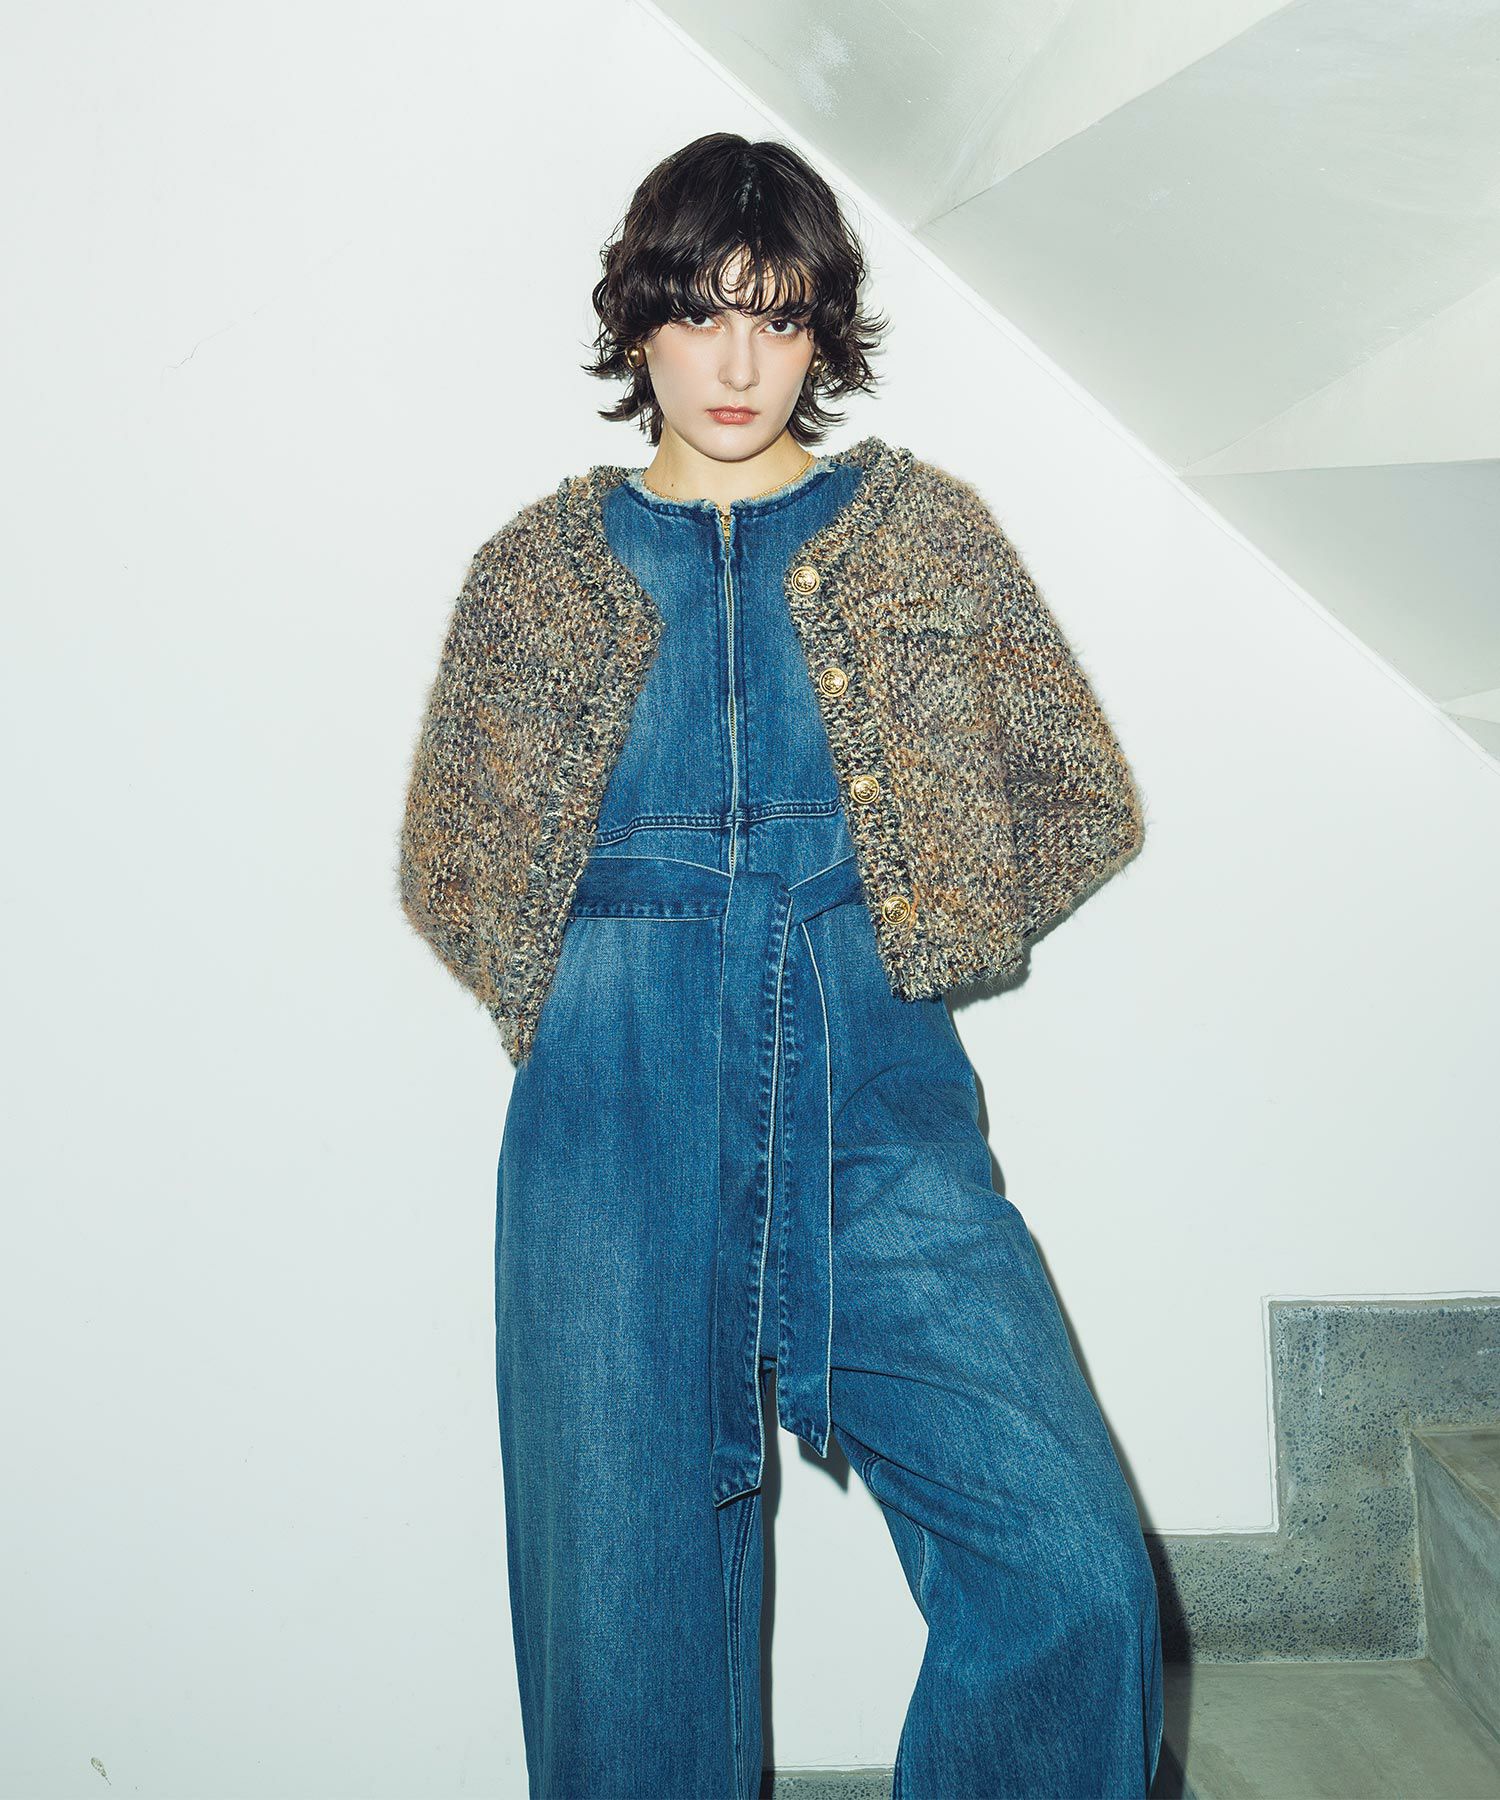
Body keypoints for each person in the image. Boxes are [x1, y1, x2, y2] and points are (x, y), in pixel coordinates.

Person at [399, 130, 1164, 1800]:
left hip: (873, 1117)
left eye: (778, 315)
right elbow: (450, 860)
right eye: (699, 314)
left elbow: (1082, 797)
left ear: (825, 331)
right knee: (628, 1666)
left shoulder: (921, 537)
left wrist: (924, 915)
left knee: (1074, 1569)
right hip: (613, 1143)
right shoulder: (537, 575)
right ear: (638, 325)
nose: (738, 363)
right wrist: (597, 994)